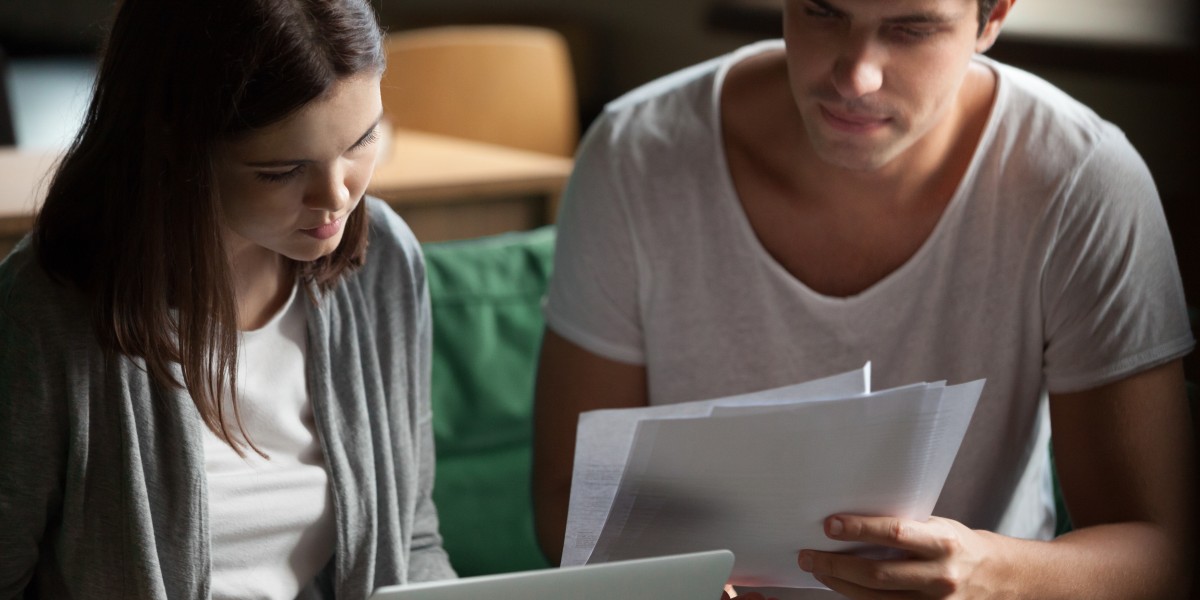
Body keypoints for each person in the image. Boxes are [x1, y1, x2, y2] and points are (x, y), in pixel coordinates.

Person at [533, 0, 1196, 597]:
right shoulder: (634, 156)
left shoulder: (1080, 180)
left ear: (991, 18)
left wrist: (989, 577)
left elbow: (1162, 553)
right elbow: (566, 503)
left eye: (911, 28)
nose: (856, 77)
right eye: (823, 11)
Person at [0, 0, 456, 597]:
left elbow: (413, 539)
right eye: (283, 170)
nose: (336, 196)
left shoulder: (384, 261)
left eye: (362, 141)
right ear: (172, 144)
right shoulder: (44, 313)